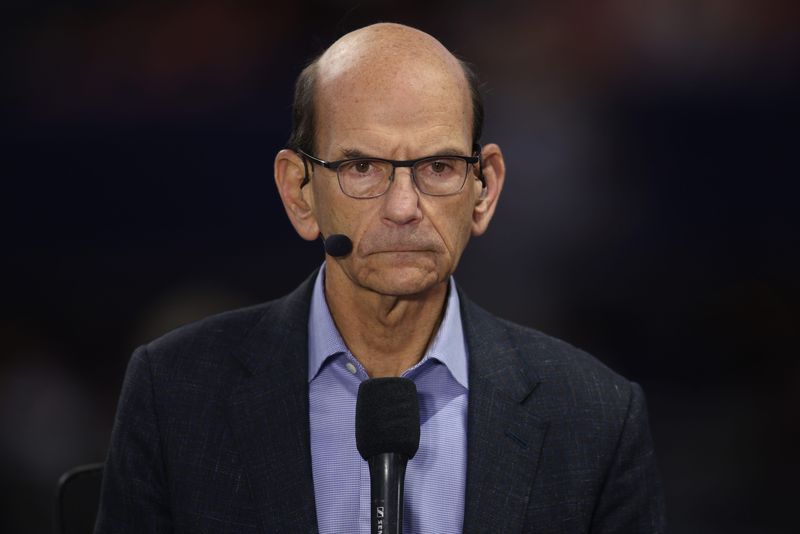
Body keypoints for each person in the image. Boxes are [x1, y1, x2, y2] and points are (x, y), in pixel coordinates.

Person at [95, 23, 665, 534]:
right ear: (299, 193)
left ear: (483, 190)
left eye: (437, 167)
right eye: (360, 167)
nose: (402, 207)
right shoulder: (174, 393)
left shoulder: (596, 417)